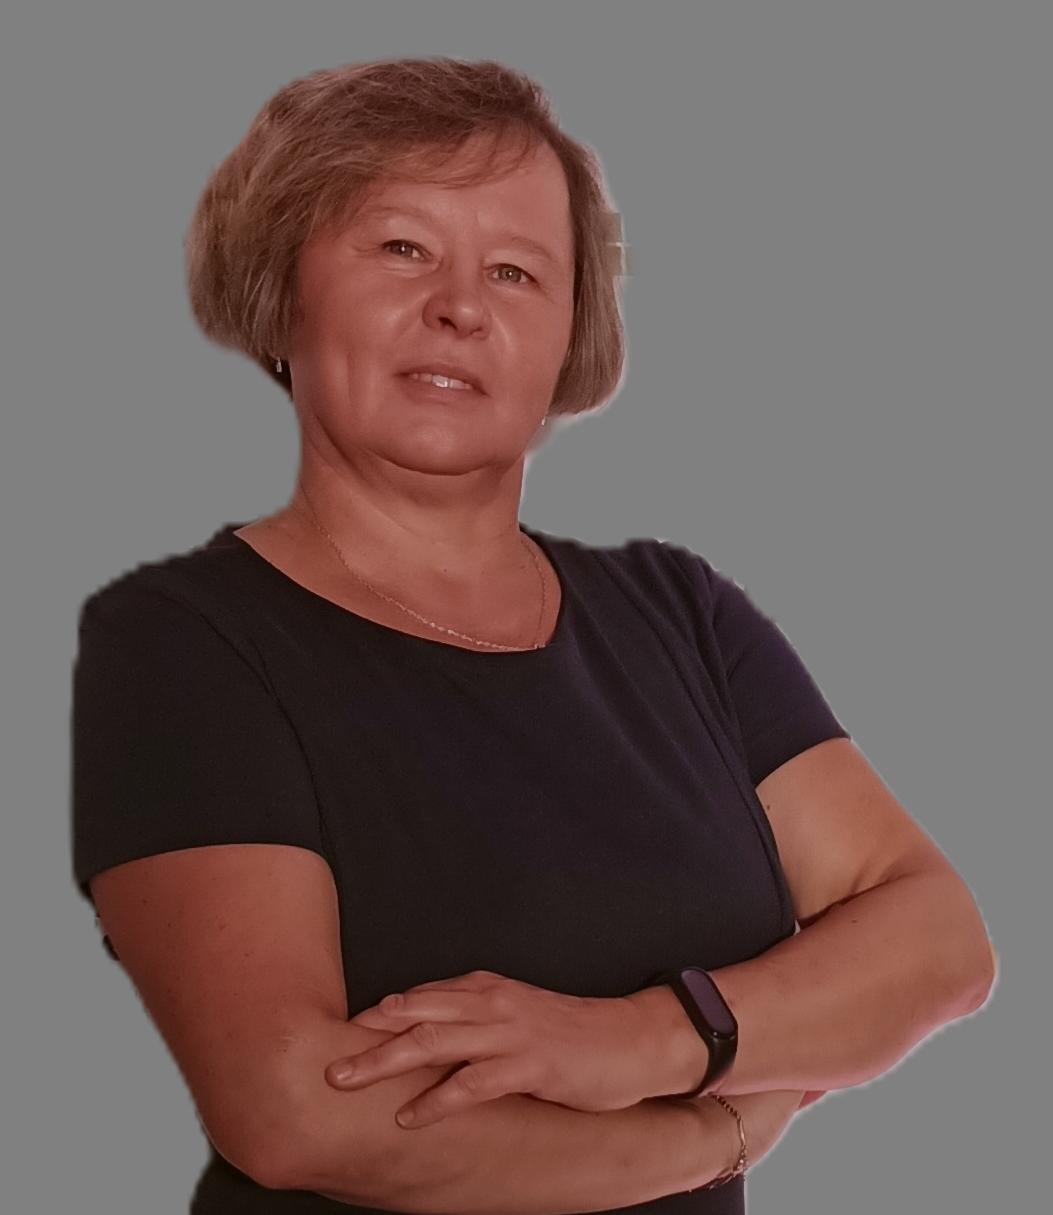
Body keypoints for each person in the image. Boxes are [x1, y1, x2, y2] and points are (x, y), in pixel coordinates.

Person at [70, 56, 996, 1214]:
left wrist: (652, 1040)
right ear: (282, 284)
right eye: (402, 248)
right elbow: (294, 1113)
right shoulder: (180, 645)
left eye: (516, 271)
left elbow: (938, 938)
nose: (462, 306)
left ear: (568, 337)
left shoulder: (681, 615)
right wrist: (714, 1133)